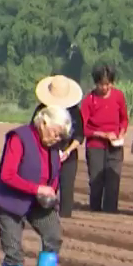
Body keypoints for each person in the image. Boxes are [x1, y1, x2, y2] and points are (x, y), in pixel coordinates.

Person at [0, 105, 71, 266]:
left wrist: (51, 190)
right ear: (43, 123)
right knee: (14, 253)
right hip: (10, 200)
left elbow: (55, 172)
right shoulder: (19, 138)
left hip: (38, 202)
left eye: (60, 136)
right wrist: (37, 188)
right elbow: (7, 175)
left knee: (53, 236)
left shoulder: (53, 145)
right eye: (55, 133)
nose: (57, 139)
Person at [30, 75, 84, 218]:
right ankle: (43, 215)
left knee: (67, 187)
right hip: (45, 154)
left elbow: (79, 135)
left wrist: (67, 151)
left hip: (68, 154)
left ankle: (65, 217)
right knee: (44, 185)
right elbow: (33, 133)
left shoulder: (74, 112)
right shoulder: (41, 111)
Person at [80, 63, 129, 213]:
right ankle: (95, 210)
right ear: (96, 83)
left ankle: (111, 211)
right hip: (95, 145)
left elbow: (124, 119)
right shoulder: (89, 100)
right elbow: (84, 128)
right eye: (102, 84)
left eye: (108, 84)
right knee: (96, 180)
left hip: (115, 144)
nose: (105, 88)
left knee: (113, 180)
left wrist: (121, 133)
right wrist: (101, 134)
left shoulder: (118, 96)